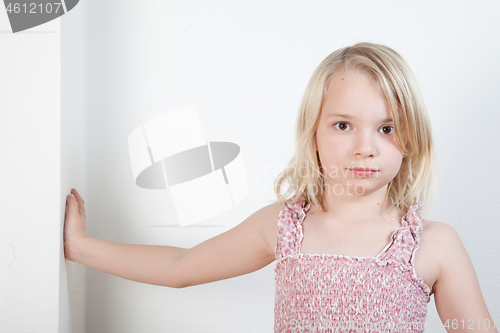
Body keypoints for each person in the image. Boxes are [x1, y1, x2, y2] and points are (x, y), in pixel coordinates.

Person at [64, 43, 497, 332]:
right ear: (313, 133)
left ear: (412, 138)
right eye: (343, 125)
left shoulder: (434, 245)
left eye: (387, 128)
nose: (365, 147)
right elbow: (180, 266)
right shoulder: (284, 226)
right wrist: (81, 247)